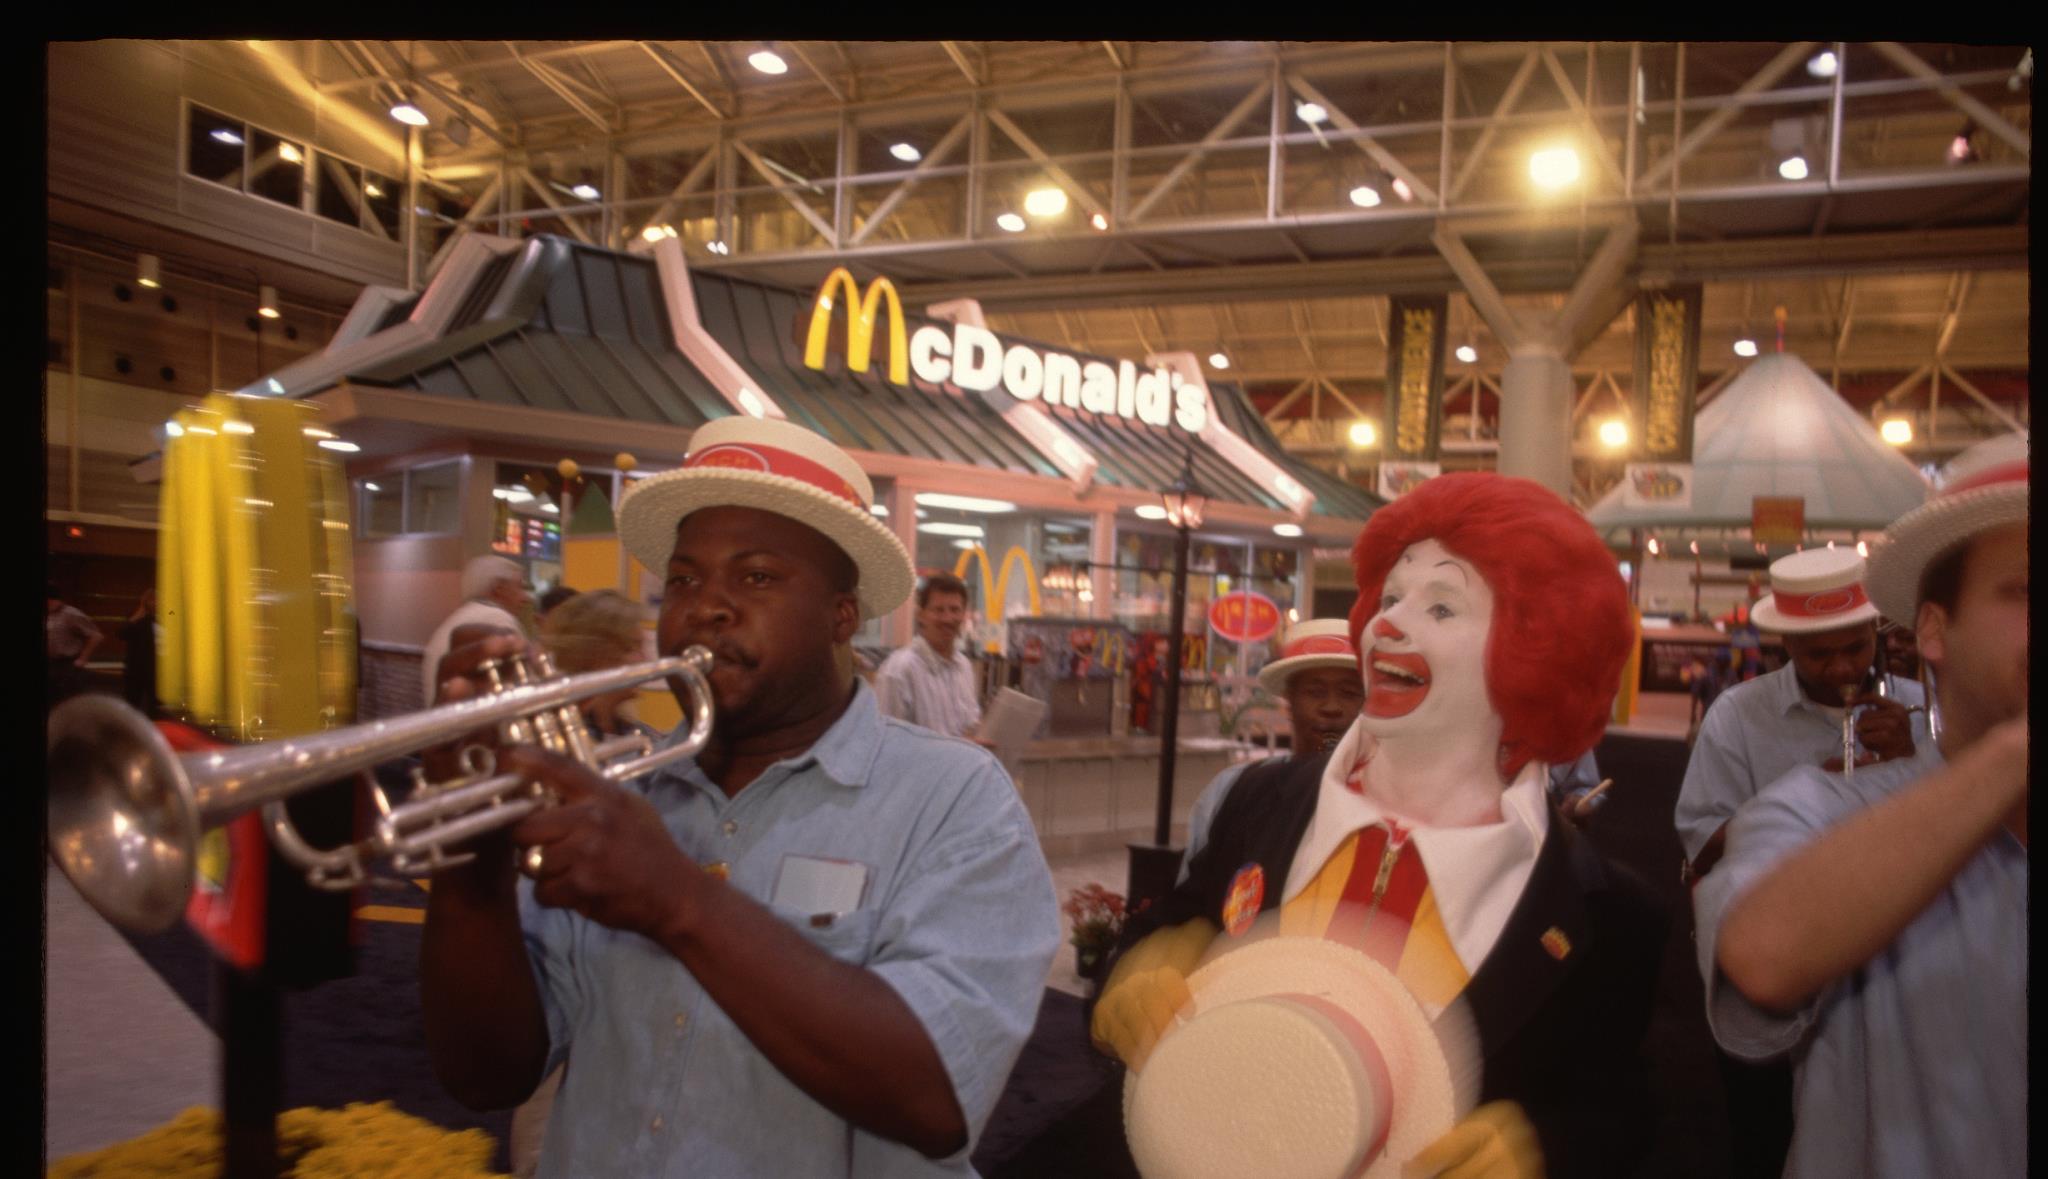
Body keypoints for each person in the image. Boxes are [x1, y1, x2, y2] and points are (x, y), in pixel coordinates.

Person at [418, 415, 1059, 1177]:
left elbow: (935, 1097)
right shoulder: (625, 792)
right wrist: (469, 863)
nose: (706, 606)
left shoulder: (957, 800)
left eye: (756, 576)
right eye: (683, 579)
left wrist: (676, 898)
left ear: (841, 615)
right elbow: (487, 1075)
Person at [1092, 473, 1665, 1179]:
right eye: (1390, 598)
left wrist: (1547, 1148)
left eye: (1443, 607)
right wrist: (1131, 975)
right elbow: (1169, 927)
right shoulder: (1258, 801)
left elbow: (1619, 1109)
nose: (1387, 624)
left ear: (1535, 652)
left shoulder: (1608, 910)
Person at [1693, 431, 2027, 1177]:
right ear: (1934, 629)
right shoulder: (1755, 743)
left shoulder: (1907, 708)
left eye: (1857, 647)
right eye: (2026, 590)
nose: (1845, 666)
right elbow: (1752, 933)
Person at [1675, 547, 1928, 883]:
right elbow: (1702, 845)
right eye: (1819, 655)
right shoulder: (1736, 714)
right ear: (1787, 643)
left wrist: (1909, 764)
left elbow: (1961, 828)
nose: (1841, 669)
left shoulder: (1921, 705)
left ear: (1874, 630)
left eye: (1856, 648)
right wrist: (1806, 802)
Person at [1177, 617, 1361, 885]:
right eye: (1315, 692)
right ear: (1289, 701)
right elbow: (1193, 901)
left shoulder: (1384, 803)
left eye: (1348, 692)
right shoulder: (1232, 792)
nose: (1331, 706)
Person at [873, 572, 985, 741]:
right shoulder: (898, 671)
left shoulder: (964, 667)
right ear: (921, 615)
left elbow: (971, 725)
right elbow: (886, 742)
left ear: (964, 615)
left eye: (955, 610)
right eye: (939, 610)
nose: (948, 618)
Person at [418, 555, 532, 706]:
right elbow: (523, 690)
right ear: (499, 589)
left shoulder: (453, 620)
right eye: (520, 587)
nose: (525, 598)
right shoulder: (500, 620)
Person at [46, 586, 103, 707]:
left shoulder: (71, 614)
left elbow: (96, 636)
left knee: (68, 701)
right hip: (50, 663)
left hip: (67, 664)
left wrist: (83, 658)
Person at [119, 587, 160, 719]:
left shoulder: (169, 614)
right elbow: (121, 634)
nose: (156, 603)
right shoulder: (137, 616)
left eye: (158, 599)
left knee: (156, 706)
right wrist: (138, 615)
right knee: (132, 703)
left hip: (158, 669)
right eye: (152, 600)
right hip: (136, 667)